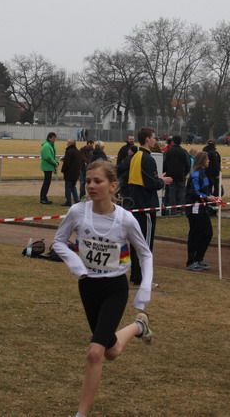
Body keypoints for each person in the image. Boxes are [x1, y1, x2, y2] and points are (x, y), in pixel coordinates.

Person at [52, 160, 155, 417]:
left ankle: (81, 414)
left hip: (114, 288)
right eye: (88, 181)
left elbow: (145, 254)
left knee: (94, 352)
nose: (91, 186)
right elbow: (59, 242)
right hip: (88, 286)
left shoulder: (125, 219)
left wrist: (144, 289)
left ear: (113, 186)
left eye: (97, 181)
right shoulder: (77, 212)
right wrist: (75, 263)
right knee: (110, 350)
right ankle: (138, 326)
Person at [126, 126, 173, 286]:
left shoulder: (136, 156)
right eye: (153, 137)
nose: (155, 140)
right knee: (145, 244)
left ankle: (135, 275)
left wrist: (156, 179)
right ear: (147, 139)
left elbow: (143, 179)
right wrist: (161, 181)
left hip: (135, 204)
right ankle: (143, 278)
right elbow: (151, 184)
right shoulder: (147, 158)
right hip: (145, 206)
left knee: (136, 242)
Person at [184, 152, 217, 271]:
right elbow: (194, 192)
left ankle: (199, 258)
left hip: (202, 208)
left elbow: (205, 191)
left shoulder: (204, 174)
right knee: (195, 235)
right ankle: (191, 261)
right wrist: (207, 197)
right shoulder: (195, 175)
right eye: (207, 159)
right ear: (202, 161)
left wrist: (211, 197)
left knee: (208, 233)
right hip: (195, 209)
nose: (209, 161)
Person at [163, 135, 190, 214]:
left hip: (170, 175)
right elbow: (188, 164)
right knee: (182, 192)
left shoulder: (168, 151)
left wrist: (166, 172)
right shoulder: (184, 151)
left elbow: (164, 163)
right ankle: (182, 209)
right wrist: (185, 173)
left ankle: (173, 210)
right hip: (181, 175)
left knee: (172, 192)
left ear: (173, 142)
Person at [61, 138, 82, 206]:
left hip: (69, 173)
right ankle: (77, 199)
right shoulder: (78, 152)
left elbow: (67, 163)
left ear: (70, 144)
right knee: (73, 187)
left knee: (68, 188)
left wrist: (63, 170)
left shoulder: (69, 152)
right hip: (76, 173)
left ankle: (68, 201)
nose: (67, 144)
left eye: (68, 142)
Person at [39, 132, 58, 204]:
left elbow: (52, 156)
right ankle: (43, 198)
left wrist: (56, 161)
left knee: (47, 183)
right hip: (47, 167)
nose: (55, 140)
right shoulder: (47, 146)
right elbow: (48, 157)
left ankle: (44, 197)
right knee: (46, 183)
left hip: (49, 167)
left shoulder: (51, 145)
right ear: (49, 138)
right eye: (53, 138)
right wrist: (55, 162)